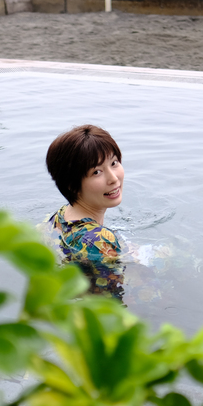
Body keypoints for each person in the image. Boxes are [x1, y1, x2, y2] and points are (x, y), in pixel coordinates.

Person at [45, 125, 125, 297]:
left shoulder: (60, 216)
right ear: (71, 185)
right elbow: (116, 298)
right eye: (96, 172)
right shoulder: (101, 238)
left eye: (114, 163)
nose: (113, 178)